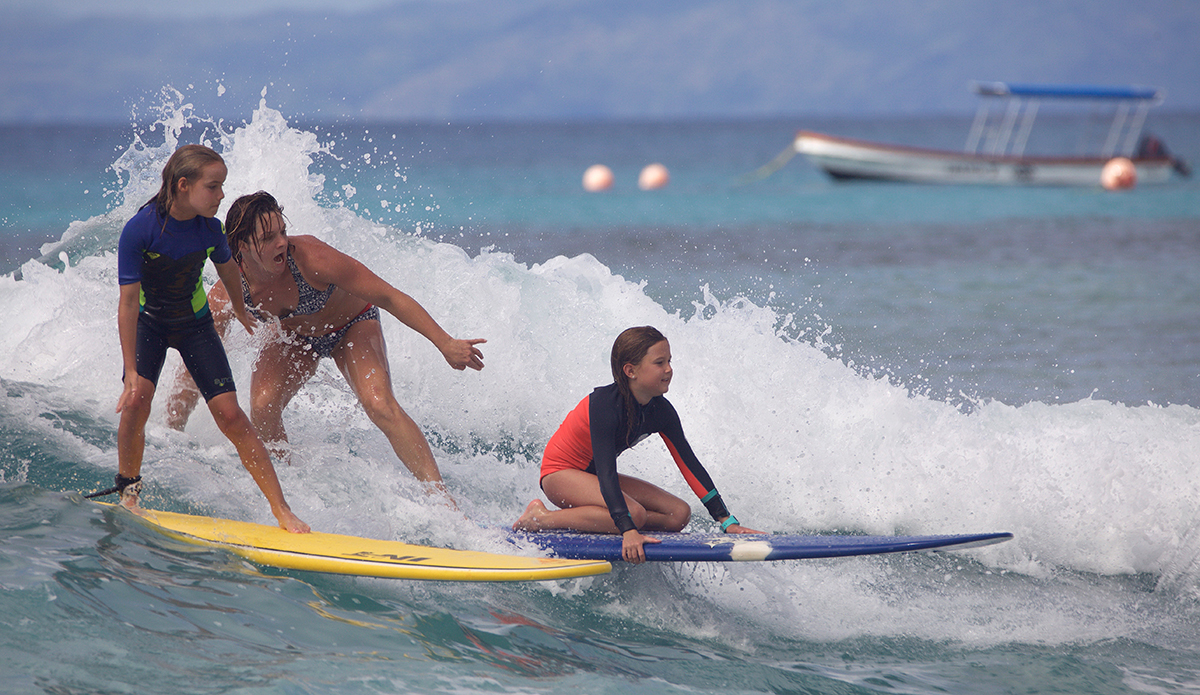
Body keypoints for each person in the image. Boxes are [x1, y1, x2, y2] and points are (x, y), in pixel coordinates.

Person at [165, 191, 485, 505]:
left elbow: (389, 296)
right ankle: (287, 492)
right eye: (268, 237)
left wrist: (445, 343)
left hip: (352, 326)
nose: (281, 242)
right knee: (262, 405)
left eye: (283, 231)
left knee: (379, 403)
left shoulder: (312, 260)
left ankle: (442, 501)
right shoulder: (229, 292)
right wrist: (171, 431)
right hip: (296, 340)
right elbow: (197, 356)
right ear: (241, 248)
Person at [114, 145, 309, 533]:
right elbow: (128, 304)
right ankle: (128, 493)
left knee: (232, 416)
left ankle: (281, 510)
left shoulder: (210, 229)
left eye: (222, 186)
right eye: (214, 186)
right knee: (137, 400)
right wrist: (131, 371)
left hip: (194, 325)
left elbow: (228, 270)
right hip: (150, 324)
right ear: (184, 186)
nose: (222, 196)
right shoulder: (141, 229)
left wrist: (238, 307)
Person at [513, 326, 761, 563]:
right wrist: (628, 528)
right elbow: (607, 471)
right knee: (634, 514)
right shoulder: (604, 406)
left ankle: (613, 519)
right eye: (659, 363)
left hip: (593, 476)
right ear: (630, 370)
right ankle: (540, 517)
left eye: (669, 361)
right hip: (560, 475)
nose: (669, 369)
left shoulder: (660, 410)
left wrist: (726, 520)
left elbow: (689, 464)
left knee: (678, 514)